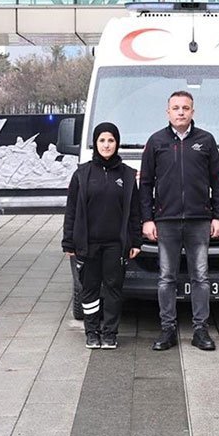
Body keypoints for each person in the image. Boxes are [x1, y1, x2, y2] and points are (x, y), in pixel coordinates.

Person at [140, 91, 219, 352]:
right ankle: (167, 329)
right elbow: (146, 184)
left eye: (185, 108)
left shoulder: (206, 141)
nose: (180, 112)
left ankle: (200, 330)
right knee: (166, 278)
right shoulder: (156, 142)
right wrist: (147, 219)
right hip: (165, 220)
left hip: (199, 221)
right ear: (167, 112)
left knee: (201, 277)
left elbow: (218, 183)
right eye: (176, 108)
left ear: (192, 112)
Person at [62, 122, 143, 350]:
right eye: (102, 140)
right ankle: (92, 332)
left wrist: (136, 240)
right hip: (88, 244)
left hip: (115, 245)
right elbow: (71, 211)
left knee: (113, 289)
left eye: (111, 140)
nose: (106, 145)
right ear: (95, 143)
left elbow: (134, 211)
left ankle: (109, 333)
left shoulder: (127, 175)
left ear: (117, 143)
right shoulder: (82, 174)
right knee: (89, 289)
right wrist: (68, 241)